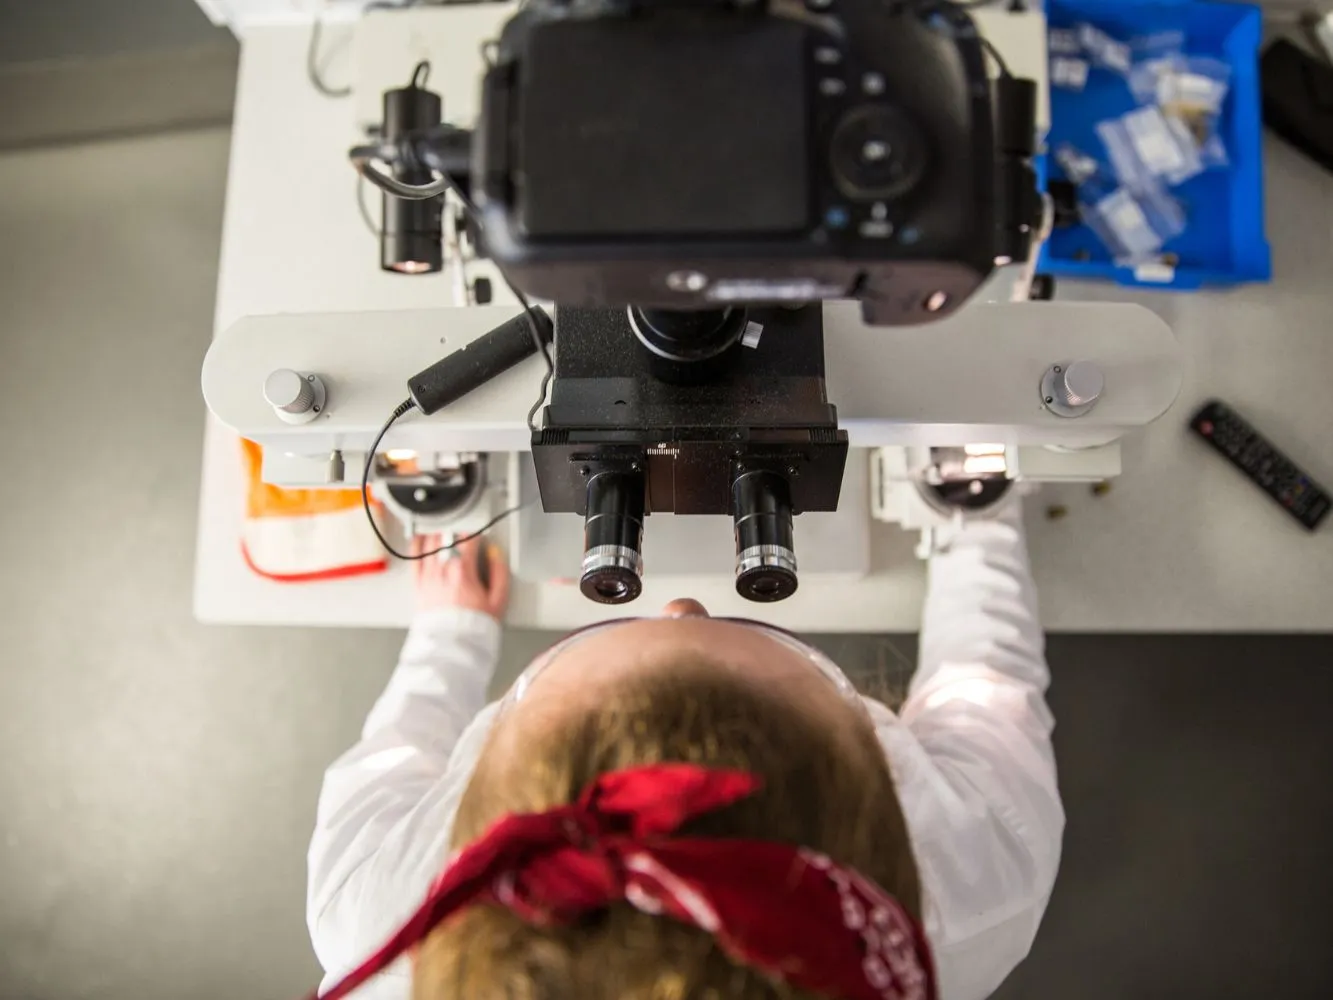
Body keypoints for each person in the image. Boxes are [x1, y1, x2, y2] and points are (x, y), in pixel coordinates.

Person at [306, 504, 1064, 1000]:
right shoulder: (981, 876)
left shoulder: (373, 917)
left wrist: (451, 634)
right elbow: (984, 679)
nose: (675, 605)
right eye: (738, 630)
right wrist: (976, 514)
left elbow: (401, 749)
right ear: (872, 762)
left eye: (618, 632)